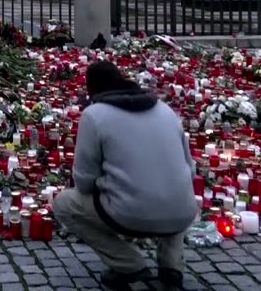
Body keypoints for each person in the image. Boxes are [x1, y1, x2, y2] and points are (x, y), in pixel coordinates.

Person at [51, 61, 198, 290]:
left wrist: (110, 184)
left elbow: (84, 181)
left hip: (130, 213)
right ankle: (171, 265)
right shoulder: (164, 110)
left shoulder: (94, 115)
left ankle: (128, 264)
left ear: (92, 90)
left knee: (63, 204)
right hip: (182, 212)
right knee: (173, 189)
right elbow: (190, 170)